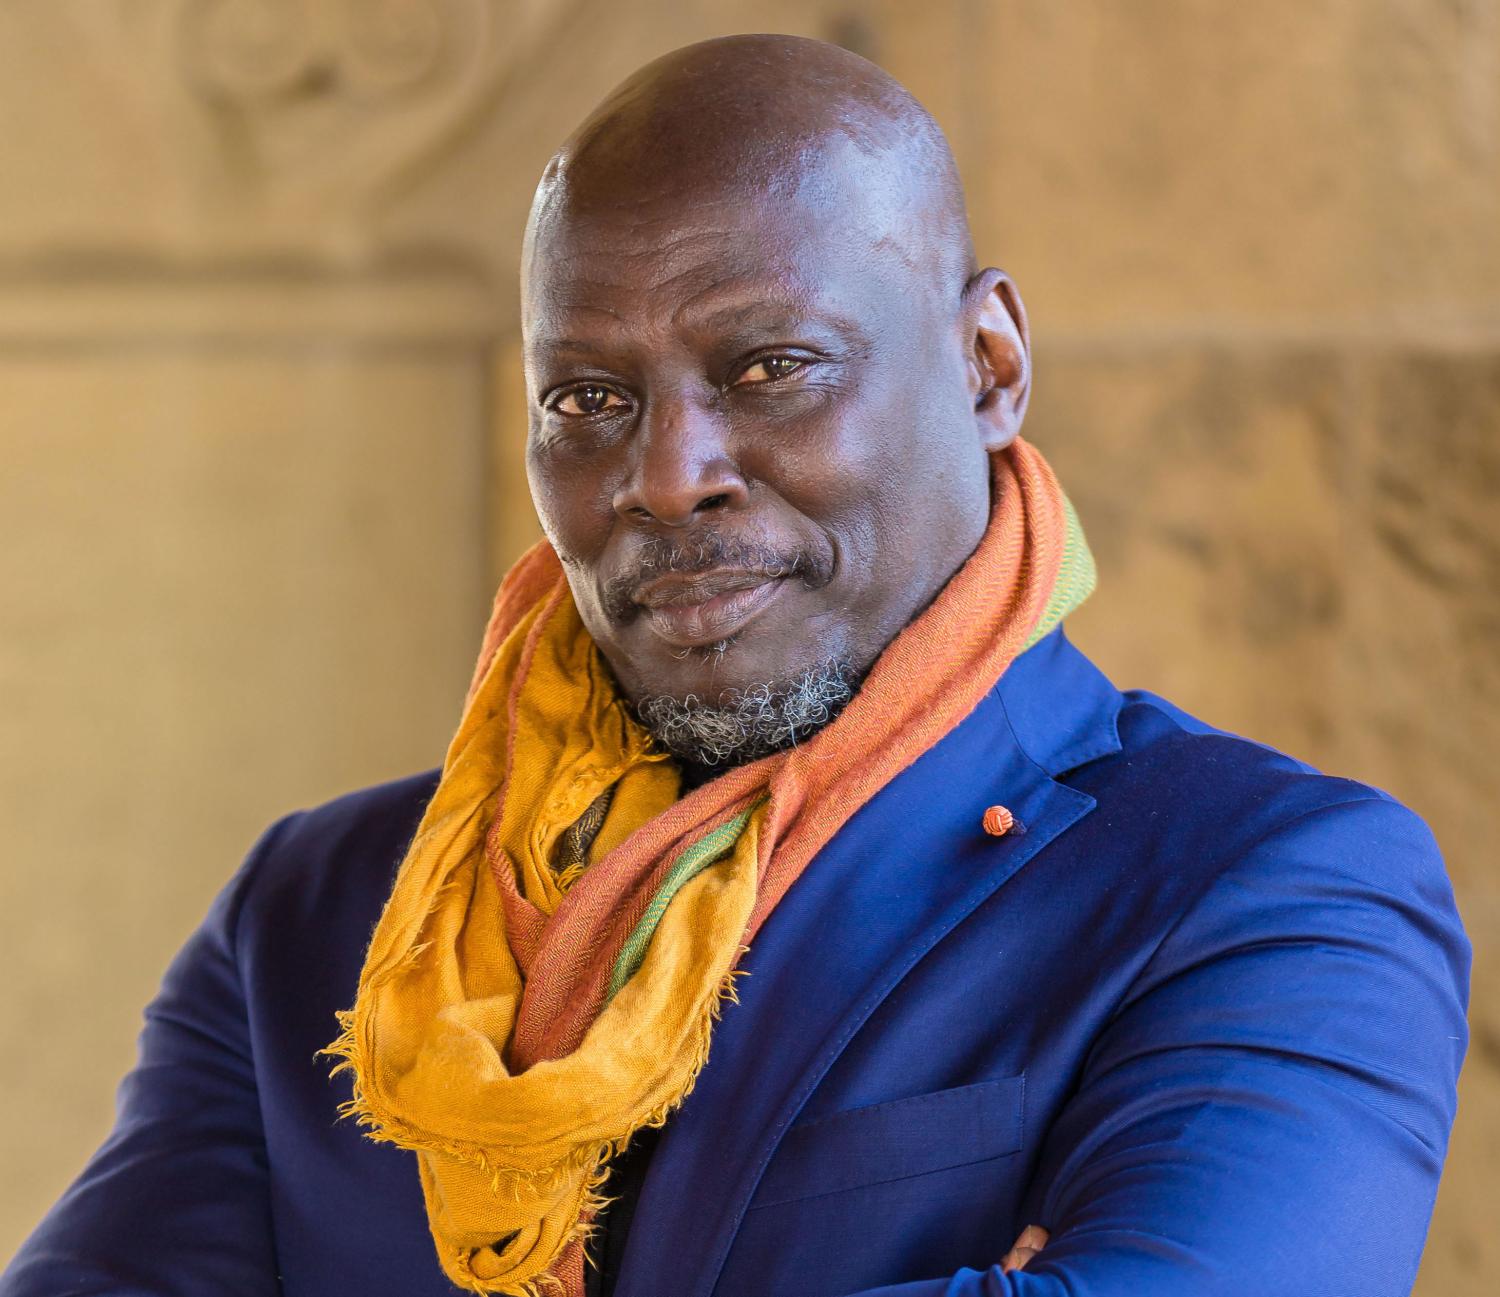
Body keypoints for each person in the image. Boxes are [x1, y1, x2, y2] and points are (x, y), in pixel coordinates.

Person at [3, 33, 1468, 1297]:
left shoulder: (1266, 893)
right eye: (589, 395)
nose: (667, 473)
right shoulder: (322, 919)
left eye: (771, 366)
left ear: (990, 366)